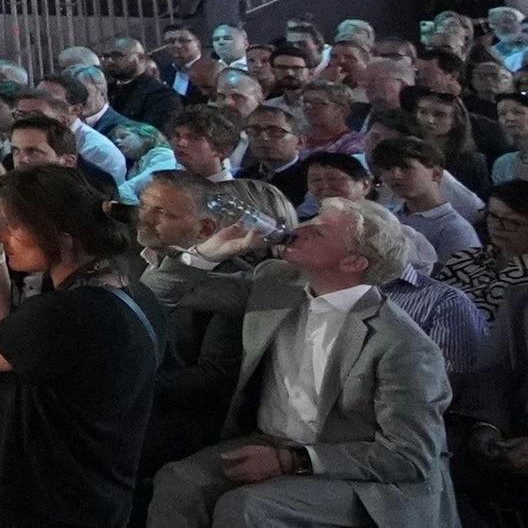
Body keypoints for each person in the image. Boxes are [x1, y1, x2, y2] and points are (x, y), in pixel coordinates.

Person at [143, 199, 455, 528]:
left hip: (358, 474)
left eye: (319, 232)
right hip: (270, 440)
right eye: (310, 220)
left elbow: (409, 456)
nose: (298, 230)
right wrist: (206, 254)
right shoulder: (276, 282)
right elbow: (156, 293)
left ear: (353, 261)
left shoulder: (402, 343)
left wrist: (292, 460)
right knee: (177, 483)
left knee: (247, 507)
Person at [0, 163, 159, 528]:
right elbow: (2, 348)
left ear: (58, 235)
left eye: (12, 226)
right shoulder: (130, 293)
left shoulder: (65, 313)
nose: (1, 234)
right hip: (97, 491)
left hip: (47, 499)